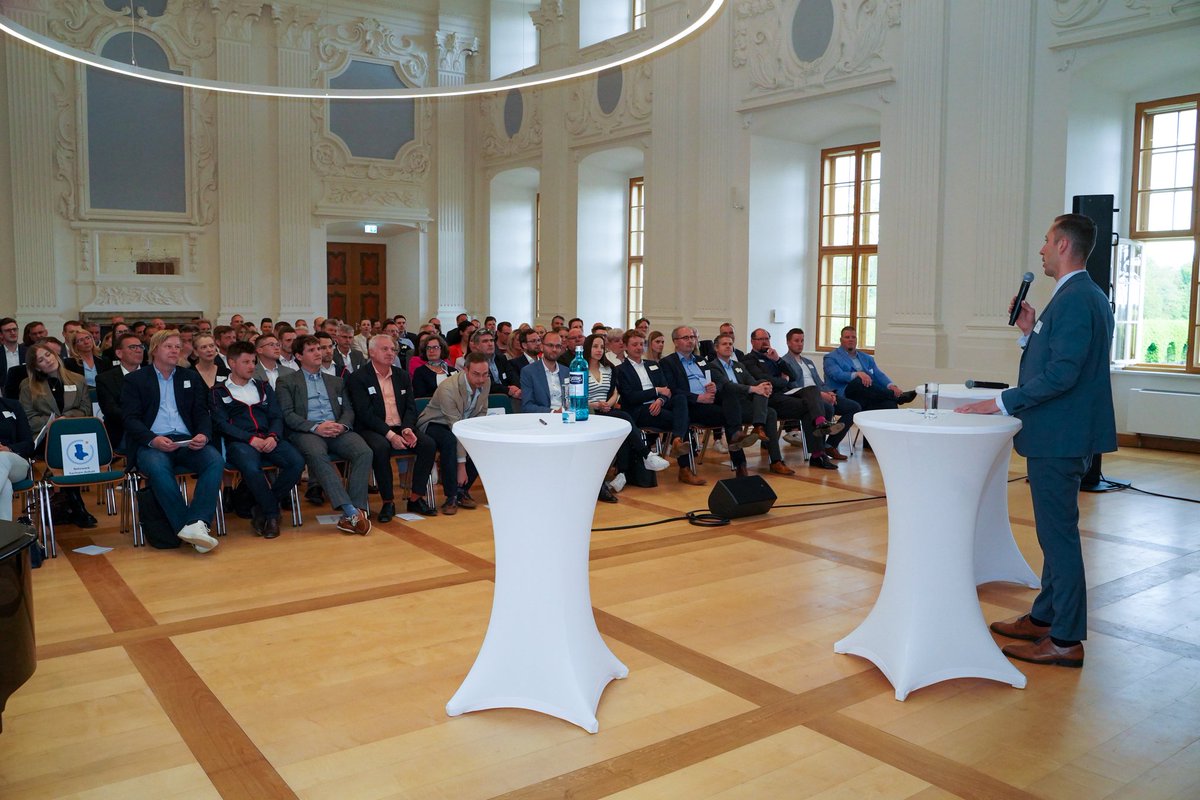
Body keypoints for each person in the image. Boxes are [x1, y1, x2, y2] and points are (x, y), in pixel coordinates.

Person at [958, 214, 1117, 668]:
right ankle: (1047, 616)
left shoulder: (1075, 298)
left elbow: (1063, 374)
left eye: (1047, 241)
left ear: (1064, 244)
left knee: (1058, 536)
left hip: (1059, 435)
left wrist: (1004, 402)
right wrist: (1029, 332)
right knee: (1052, 535)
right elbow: (1061, 359)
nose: (1041, 250)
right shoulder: (1079, 296)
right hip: (1061, 433)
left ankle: (1065, 639)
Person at [122, 330, 225, 553]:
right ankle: (188, 527)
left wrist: (203, 435)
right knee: (158, 467)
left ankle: (198, 521)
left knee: (214, 459)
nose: (174, 350)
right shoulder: (135, 380)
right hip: (153, 442)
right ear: (155, 349)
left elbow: (202, 413)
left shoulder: (189, 377)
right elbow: (130, 420)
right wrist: (153, 439)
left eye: (178, 347)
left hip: (187, 440)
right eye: (169, 346)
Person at [276, 335, 373, 535]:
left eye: (319, 349)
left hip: (337, 429)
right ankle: (349, 510)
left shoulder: (336, 381)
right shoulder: (286, 381)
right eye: (311, 350)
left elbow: (348, 409)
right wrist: (315, 427)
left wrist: (343, 425)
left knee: (363, 451)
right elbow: (287, 415)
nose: (318, 353)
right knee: (317, 454)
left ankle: (355, 512)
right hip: (307, 431)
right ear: (298, 356)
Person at [210, 341, 305, 539]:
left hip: (269, 437)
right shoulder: (218, 391)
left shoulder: (263, 387)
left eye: (253, 361)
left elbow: (276, 416)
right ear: (232, 363)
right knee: (252, 468)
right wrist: (249, 438)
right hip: (240, 442)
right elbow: (221, 424)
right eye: (246, 362)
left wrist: (273, 436)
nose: (252, 366)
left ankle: (262, 508)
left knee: (296, 462)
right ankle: (271, 515)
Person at [345, 335, 439, 520]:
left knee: (428, 444)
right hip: (373, 428)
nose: (390, 353)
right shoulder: (358, 378)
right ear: (371, 352)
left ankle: (416, 498)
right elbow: (365, 414)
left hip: (400, 427)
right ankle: (388, 502)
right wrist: (390, 435)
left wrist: (406, 429)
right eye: (385, 349)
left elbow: (411, 407)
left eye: (392, 349)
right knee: (381, 448)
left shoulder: (401, 375)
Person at [582, 333, 670, 499]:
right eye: (595, 346)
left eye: (602, 347)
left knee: (622, 425)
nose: (599, 350)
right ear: (588, 348)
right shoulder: (579, 368)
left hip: (606, 409)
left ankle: (623, 473)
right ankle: (646, 455)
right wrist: (595, 404)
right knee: (624, 417)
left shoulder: (608, 369)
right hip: (588, 410)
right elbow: (576, 396)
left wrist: (609, 402)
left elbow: (616, 392)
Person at [742, 329, 841, 470]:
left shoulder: (773, 357)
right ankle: (819, 448)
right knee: (811, 407)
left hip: (786, 395)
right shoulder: (748, 359)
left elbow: (793, 376)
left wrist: (778, 360)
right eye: (761, 339)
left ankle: (819, 434)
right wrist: (783, 380)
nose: (765, 341)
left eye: (767, 338)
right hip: (770, 398)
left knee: (812, 391)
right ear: (752, 341)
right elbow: (764, 380)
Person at [708, 333, 794, 476]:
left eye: (730, 344)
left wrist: (764, 386)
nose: (729, 346)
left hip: (745, 404)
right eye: (724, 344)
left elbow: (752, 381)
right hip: (727, 406)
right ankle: (757, 428)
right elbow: (727, 386)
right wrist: (754, 388)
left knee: (769, 407)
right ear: (716, 348)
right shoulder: (712, 367)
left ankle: (776, 461)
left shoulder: (738, 365)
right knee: (760, 395)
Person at [416, 352, 490, 515]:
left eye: (485, 374)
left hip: (462, 422)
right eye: (476, 374)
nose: (481, 379)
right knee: (449, 442)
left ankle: (462, 490)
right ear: (465, 370)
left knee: (480, 442)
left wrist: (477, 434)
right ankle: (451, 496)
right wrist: (461, 465)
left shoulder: (486, 381)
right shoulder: (448, 388)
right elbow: (455, 426)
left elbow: (481, 412)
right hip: (435, 422)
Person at [780, 328, 858, 462]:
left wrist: (829, 393)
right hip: (806, 398)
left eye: (802, 341)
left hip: (822, 394)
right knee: (828, 408)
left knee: (854, 407)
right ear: (788, 343)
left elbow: (820, 382)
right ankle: (820, 451)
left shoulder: (808, 362)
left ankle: (830, 444)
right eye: (796, 341)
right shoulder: (784, 362)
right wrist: (821, 395)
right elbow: (792, 386)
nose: (800, 344)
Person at [823, 326, 917, 411]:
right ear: (841, 340)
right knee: (859, 380)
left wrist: (891, 386)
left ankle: (891, 426)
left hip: (865, 396)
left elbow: (878, 374)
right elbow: (837, 375)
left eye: (853, 337)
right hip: (845, 395)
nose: (850, 340)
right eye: (847, 337)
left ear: (856, 340)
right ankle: (897, 397)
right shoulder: (831, 357)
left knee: (890, 404)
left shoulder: (866, 357)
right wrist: (857, 374)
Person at [95, 332, 145, 454]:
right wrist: (141, 421)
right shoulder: (105, 379)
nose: (139, 350)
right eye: (133, 347)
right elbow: (111, 411)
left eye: (140, 347)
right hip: (123, 431)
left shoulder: (153, 374)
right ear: (119, 353)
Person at [519, 329, 570, 413]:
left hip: (567, 416)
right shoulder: (528, 372)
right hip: (543, 418)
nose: (554, 349)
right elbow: (527, 406)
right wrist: (553, 412)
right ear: (542, 347)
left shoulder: (566, 371)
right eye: (550, 345)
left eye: (558, 346)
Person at [0, 394, 33, 522]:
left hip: (15, 461)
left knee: (2, 458)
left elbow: (29, 444)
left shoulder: (12, 406)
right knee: (6, 486)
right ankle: (4, 538)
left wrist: (9, 449)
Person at [472, 328, 521, 400]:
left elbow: (513, 376)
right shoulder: (474, 362)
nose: (490, 344)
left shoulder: (501, 358)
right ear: (476, 345)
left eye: (491, 340)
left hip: (510, 397)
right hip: (487, 400)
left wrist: (517, 389)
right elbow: (487, 385)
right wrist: (508, 390)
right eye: (485, 341)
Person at [1, 317, 28, 397]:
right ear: (1, 334)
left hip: (26, 394)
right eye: (8, 330)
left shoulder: (28, 352)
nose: (12, 332)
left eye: (14, 329)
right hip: (3, 396)